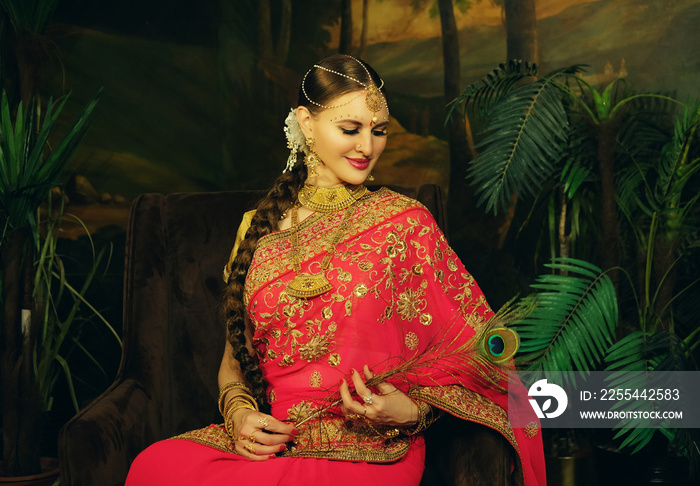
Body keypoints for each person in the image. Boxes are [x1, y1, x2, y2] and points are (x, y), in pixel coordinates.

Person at [126, 54, 545, 486]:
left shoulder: (404, 224)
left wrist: (415, 411)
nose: (368, 147)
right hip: (278, 444)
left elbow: (478, 356)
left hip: (372, 451)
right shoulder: (257, 229)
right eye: (351, 129)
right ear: (307, 124)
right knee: (153, 467)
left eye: (378, 130)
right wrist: (239, 414)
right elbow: (234, 360)